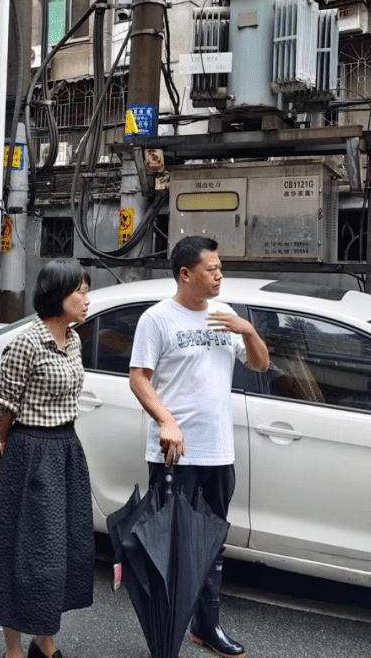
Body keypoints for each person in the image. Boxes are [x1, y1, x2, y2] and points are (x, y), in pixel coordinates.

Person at [128, 236, 269, 658]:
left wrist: (248, 330)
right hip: (176, 454)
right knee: (169, 546)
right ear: (185, 274)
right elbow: (138, 377)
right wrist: (166, 421)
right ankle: (164, 637)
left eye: (220, 267)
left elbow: (260, 364)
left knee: (211, 545)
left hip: (218, 453)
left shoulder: (226, 317)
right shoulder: (157, 320)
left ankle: (207, 626)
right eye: (212, 269)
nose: (220, 275)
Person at [0, 260, 95, 658]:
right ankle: (13, 649)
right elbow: (3, 412)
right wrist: (10, 445)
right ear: (57, 295)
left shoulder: (73, 340)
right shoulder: (25, 344)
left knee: (59, 553)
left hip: (66, 453)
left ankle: (45, 639)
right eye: (80, 291)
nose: (87, 299)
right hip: (31, 455)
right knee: (21, 553)